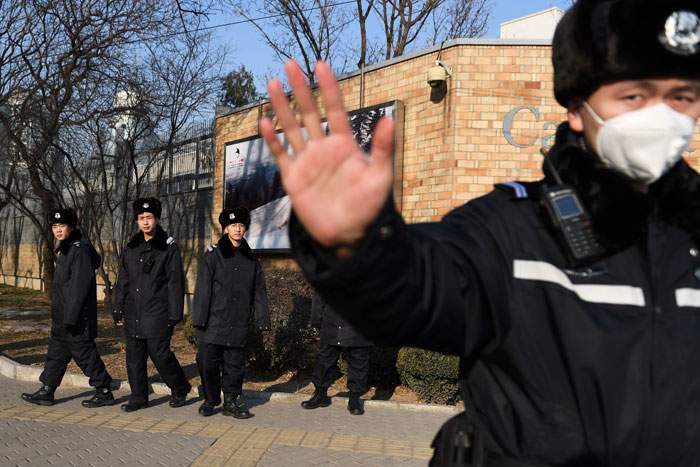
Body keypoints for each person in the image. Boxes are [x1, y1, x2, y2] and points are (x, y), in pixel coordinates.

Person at [260, 0, 700, 465]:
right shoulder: (509, 231)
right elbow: (414, 292)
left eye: (682, 97)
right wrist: (358, 244)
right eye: (634, 96)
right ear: (577, 107)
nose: (662, 117)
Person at [21, 208, 113, 407]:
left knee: (85, 354)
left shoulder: (78, 250)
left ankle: (104, 390)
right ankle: (47, 390)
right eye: (54, 226)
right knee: (56, 354)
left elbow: (78, 288)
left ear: (71, 227)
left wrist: (70, 318)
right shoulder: (67, 249)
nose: (58, 230)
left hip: (75, 318)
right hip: (62, 316)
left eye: (62, 226)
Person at [113, 198, 191, 412]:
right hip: (133, 312)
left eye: (149, 217)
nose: (145, 222)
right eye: (141, 218)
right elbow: (123, 280)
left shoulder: (168, 247)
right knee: (134, 357)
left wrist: (175, 314)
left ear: (156, 218)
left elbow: (175, 282)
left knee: (160, 354)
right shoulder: (131, 247)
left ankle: (180, 387)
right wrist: (118, 307)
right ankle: (139, 397)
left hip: (158, 312)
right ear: (137, 221)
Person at [191, 207, 270, 418]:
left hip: (238, 322)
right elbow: (203, 289)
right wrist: (199, 319)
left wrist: (263, 320)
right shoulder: (213, 255)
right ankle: (210, 399)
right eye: (233, 225)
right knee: (207, 363)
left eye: (241, 225)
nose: (237, 229)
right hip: (213, 323)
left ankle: (231, 402)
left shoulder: (251, 260)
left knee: (234, 366)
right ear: (226, 228)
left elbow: (258, 292)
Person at [302, 291, 373, 415]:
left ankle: (354, 400)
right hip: (332, 321)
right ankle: (320, 394)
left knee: (359, 362)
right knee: (324, 360)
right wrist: (316, 320)